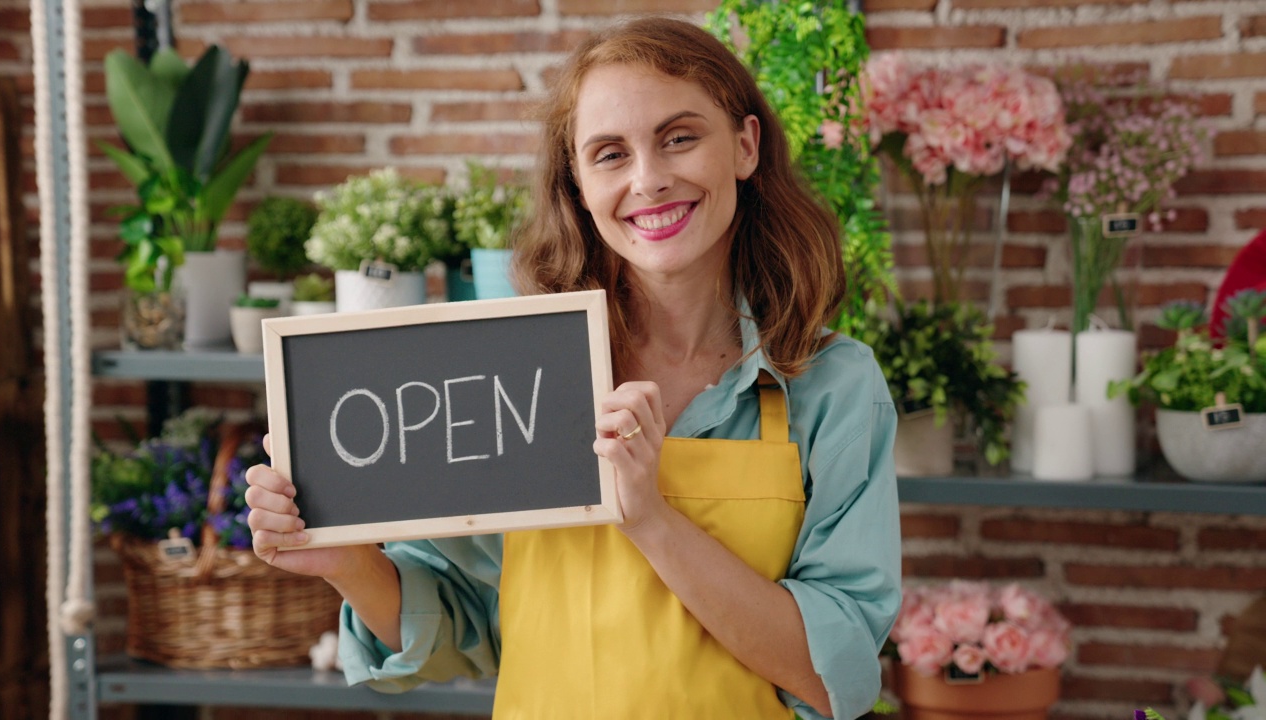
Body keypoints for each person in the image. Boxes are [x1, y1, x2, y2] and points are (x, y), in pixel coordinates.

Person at [246, 16, 901, 720]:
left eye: (679, 137)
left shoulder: (831, 385)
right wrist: (344, 560)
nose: (648, 180)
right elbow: (465, 625)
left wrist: (650, 519)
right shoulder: (517, 375)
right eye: (610, 154)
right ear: (580, 187)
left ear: (744, 146)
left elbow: (834, 676)